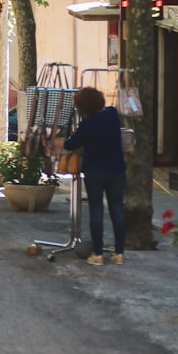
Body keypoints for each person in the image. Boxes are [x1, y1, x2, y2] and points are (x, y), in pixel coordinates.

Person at [52, 87, 126, 266]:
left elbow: (71, 144)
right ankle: (119, 253)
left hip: (95, 171)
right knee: (117, 209)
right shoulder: (112, 115)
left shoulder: (87, 125)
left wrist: (57, 141)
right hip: (117, 169)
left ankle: (98, 254)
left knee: (96, 210)